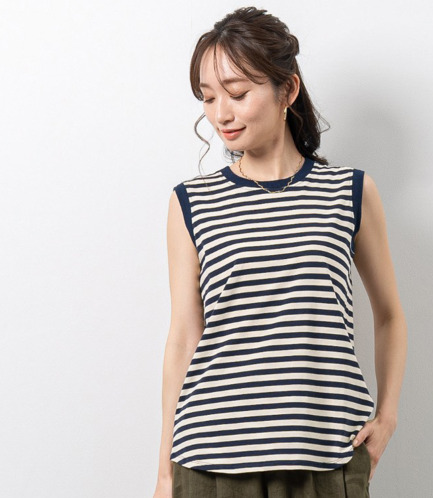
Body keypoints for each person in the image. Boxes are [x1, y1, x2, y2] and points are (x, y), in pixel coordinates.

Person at [153, 6, 407, 498]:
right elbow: (183, 336)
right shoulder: (191, 202)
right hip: (209, 460)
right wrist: (165, 474)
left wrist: (388, 416)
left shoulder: (350, 192)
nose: (221, 114)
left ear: (287, 90)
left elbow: (390, 315)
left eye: (237, 93)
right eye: (208, 98)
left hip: (326, 456)